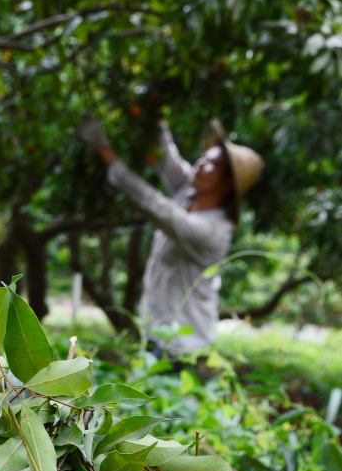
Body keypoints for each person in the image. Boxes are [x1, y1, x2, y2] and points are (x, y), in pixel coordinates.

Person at [79, 114, 264, 354]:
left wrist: (103, 148)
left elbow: (152, 203)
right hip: (156, 332)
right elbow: (166, 157)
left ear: (226, 184)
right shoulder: (192, 193)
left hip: (181, 346)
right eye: (204, 157)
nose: (200, 163)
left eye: (211, 164)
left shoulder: (211, 230)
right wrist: (152, 114)